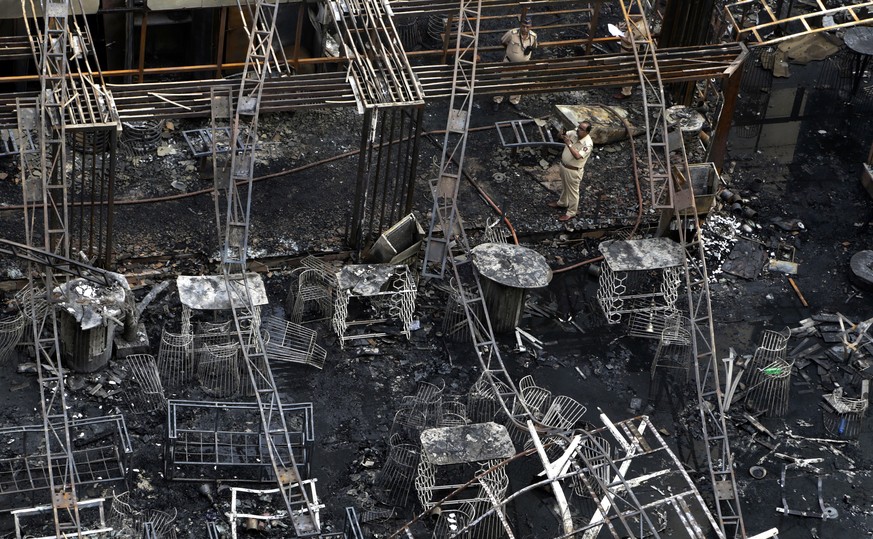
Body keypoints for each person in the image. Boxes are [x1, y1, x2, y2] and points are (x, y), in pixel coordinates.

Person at [548, 122, 593, 222]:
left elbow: (577, 156)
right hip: (564, 166)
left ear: (587, 132)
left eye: (581, 129)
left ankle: (571, 212)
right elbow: (560, 136)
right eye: (578, 127)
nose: (578, 130)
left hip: (574, 170)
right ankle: (562, 202)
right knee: (565, 186)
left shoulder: (587, 144)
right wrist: (561, 134)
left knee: (573, 192)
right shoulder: (574, 133)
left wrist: (569, 144)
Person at [493, 15, 537, 111]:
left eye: (527, 26)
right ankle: (497, 100)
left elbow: (534, 46)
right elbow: (503, 41)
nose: (525, 28)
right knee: (504, 81)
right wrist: (511, 53)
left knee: (519, 83)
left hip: (523, 66)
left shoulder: (533, 36)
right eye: (523, 26)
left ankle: (514, 100)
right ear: (520, 25)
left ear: (531, 26)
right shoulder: (512, 34)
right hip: (509, 62)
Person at [614, 5, 649, 100]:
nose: (629, 17)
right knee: (623, 68)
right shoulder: (635, 21)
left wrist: (619, 34)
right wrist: (622, 26)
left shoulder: (640, 27)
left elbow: (629, 41)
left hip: (630, 51)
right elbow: (628, 26)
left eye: (631, 15)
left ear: (638, 16)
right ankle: (622, 84)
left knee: (628, 72)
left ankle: (626, 92)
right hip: (625, 49)